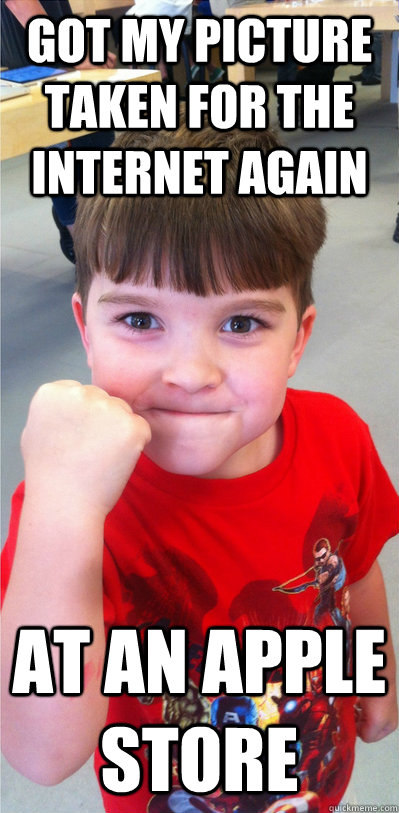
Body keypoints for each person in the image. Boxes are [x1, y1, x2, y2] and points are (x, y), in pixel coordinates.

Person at [1, 123, 398, 813]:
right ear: (84, 328)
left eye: (241, 323)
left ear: (297, 340)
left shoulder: (337, 435)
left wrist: (376, 669)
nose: (191, 372)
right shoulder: (68, 510)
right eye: (139, 320)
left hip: (310, 779)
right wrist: (63, 505)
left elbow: (353, 569)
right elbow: (42, 752)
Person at [1, 0, 116, 263]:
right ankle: (90, 255)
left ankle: (91, 238)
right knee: (64, 150)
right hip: (33, 57)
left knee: (94, 144)